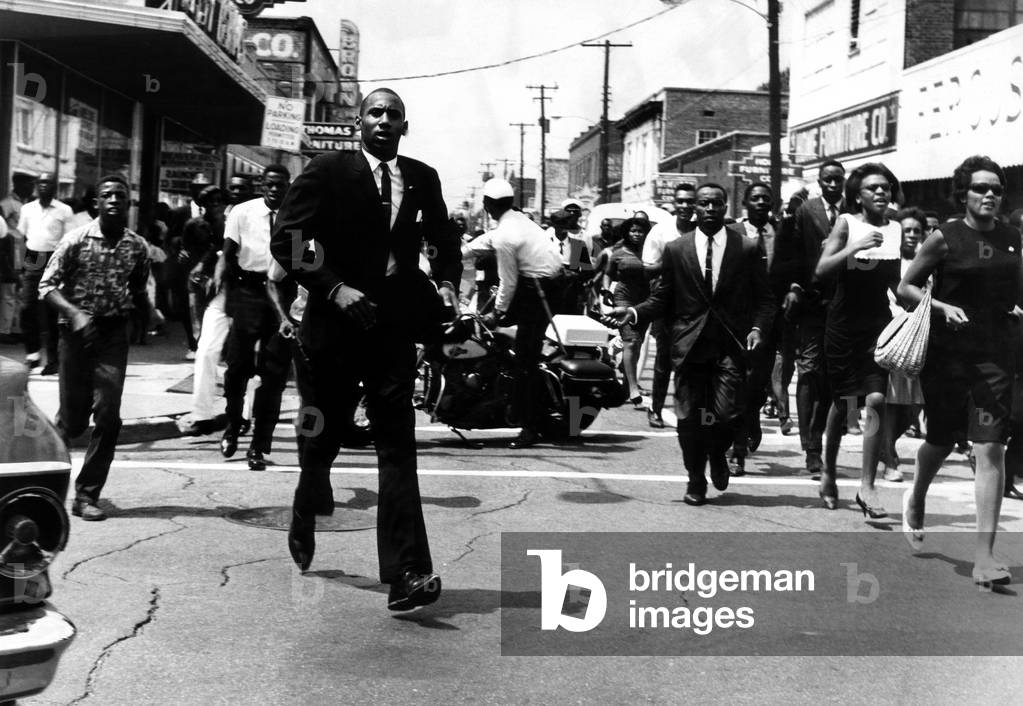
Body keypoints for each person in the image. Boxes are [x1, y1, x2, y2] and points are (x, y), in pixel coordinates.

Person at [269, 88, 461, 611]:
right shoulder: (329, 170)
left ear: (405, 125)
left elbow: (444, 239)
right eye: (375, 112)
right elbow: (288, 238)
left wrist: (445, 281)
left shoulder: (422, 177)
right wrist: (333, 286)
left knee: (397, 448)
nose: (383, 120)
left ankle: (407, 573)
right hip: (332, 329)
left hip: (391, 329)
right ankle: (306, 506)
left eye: (393, 114)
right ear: (359, 121)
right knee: (321, 442)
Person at [899, 155, 1020, 586]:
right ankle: (916, 496)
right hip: (947, 356)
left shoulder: (1013, 239)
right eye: (980, 188)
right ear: (963, 194)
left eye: (996, 189)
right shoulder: (944, 237)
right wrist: (941, 306)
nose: (989, 195)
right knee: (941, 438)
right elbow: (905, 287)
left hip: (995, 357)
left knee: (990, 448)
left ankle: (984, 557)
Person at [614, 183, 775, 505]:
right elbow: (662, 298)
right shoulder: (677, 249)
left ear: (726, 206)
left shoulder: (746, 247)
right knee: (689, 420)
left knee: (727, 414)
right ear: (695, 209)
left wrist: (757, 328)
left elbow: (765, 299)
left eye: (717, 203)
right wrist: (633, 311)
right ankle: (695, 479)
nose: (711, 209)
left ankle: (718, 452)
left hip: (729, 347)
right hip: (689, 347)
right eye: (705, 204)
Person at [38, 175, 150, 521]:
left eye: (120, 195)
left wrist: (143, 317)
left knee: (108, 414)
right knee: (72, 421)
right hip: (74, 333)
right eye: (107, 195)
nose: (114, 200)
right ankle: (48, 490)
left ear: (129, 203)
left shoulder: (137, 246)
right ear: (96, 204)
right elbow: (46, 286)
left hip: (112, 334)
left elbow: (137, 286)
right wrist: (74, 314)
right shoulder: (76, 239)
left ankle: (87, 495)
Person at [813, 163, 902, 514]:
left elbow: (896, 285)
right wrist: (856, 246)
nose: (881, 193)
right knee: (843, 402)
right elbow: (821, 270)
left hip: (878, 325)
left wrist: (925, 305)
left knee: (877, 399)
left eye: (886, 187)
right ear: (858, 195)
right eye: (873, 188)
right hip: (843, 326)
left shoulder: (895, 229)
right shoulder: (847, 224)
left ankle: (867, 487)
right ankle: (829, 472)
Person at [479, 178, 563, 448]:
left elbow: (508, 282)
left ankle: (529, 425)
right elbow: (488, 239)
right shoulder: (519, 220)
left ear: (486, 205)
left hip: (536, 293)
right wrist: (462, 252)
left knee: (525, 361)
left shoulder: (507, 233)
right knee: (504, 345)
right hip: (543, 287)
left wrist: (498, 312)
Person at [220, 164, 291, 470]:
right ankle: (233, 423)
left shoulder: (296, 216)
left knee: (274, 375)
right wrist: (231, 296)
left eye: (281, 185)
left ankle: (259, 446)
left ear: (288, 186)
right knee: (237, 368)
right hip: (247, 293)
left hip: (283, 300)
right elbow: (228, 254)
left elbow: (300, 261)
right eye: (270, 184)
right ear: (262, 184)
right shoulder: (241, 213)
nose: (275, 189)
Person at [782, 159, 846, 479]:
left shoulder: (854, 211)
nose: (833, 185)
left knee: (832, 378)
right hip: (811, 302)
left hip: (845, 304)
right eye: (827, 180)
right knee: (809, 370)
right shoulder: (806, 211)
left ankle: (822, 434)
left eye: (838, 179)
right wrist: (794, 285)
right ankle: (811, 447)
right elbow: (793, 252)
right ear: (819, 182)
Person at [640, 182, 697, 428]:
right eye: (681, 201)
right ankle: (656, 408)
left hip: (696, 303)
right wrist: (672, 262)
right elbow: (647, 269)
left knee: (692, 359)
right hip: (668, 301)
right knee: (664, 358)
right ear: (674, 203)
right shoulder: (660, 232)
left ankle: (688, 410)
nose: (685, 206)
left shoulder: (701, 230)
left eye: (689, 201)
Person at [879, 207, 927, 483]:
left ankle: (886, 447)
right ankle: (888, 455)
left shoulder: (927, 259)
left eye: (916, 231)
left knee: (914, 405)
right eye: (906, 230)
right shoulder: (889, 259)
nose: (910, 235)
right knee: (892, 401)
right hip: (893, 334)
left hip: (920, 337)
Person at [18, 172, 73, 374]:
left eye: (48, 183)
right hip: (34, 256)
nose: (43, 186)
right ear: (36, 186)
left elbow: (69, 240)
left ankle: (53, 360)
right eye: (40, 182)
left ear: (55, 187)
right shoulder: (27, 209)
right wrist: (23, 265)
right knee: (27, 307)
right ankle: (32, 355)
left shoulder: (64, 210)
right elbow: (22, 237)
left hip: (54, 257)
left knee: (51, 312)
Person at [604, 217, 651, 407]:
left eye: (640, 231)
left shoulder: (651, 252)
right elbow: (607, 273)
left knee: (637, 343)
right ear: (627, 233)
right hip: (624, 297)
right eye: (633, 231)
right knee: (630, 341)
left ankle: (625, 381)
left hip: (645, 300)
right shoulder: (618, 253)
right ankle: (633, 388)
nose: (637, 234)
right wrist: (605, 290)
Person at [548, 209, 592, 315]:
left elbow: (588, 272)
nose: (563, 229)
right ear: (554, 225)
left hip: (571, 297)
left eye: (566, 225)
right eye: (560, 225)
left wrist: (574, 275)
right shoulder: (546, 244)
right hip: (549, 295)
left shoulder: (578, 245)